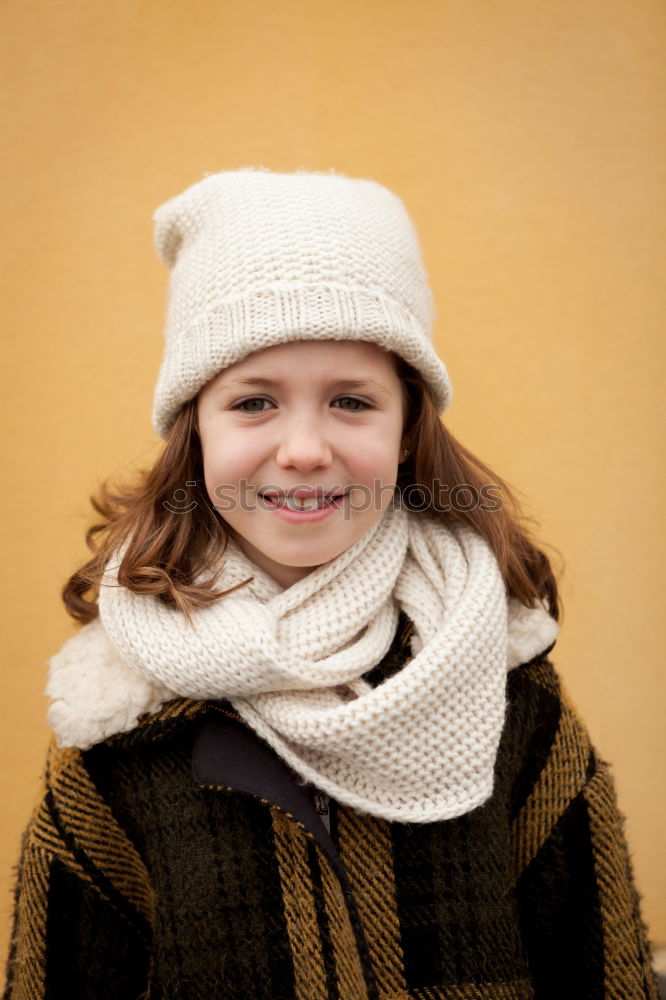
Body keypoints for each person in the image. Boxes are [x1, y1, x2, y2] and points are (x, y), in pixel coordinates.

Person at [3, 167, 659, 1000]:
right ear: (193, 431)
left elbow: (604, 969)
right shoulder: (123, 730)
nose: (306, 449)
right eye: (253, 403)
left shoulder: (505, 687)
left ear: (410, 428)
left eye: (351, 401)